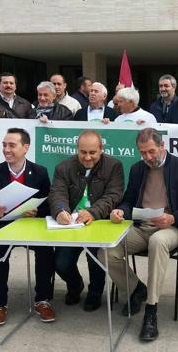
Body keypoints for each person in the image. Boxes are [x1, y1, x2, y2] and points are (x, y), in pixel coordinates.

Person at [101, 128, 178, 342]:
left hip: (170, 228)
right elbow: (129, 201)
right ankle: (136, 288)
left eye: (151, 152)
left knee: (158, 242)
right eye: (143, 153)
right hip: (141, 226)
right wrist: (121, 211)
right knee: (106, 249)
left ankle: (151, 309)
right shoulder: (138, 169)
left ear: (162, 146)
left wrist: (173, 217)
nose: (148, 157)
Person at [0, 128, 56, 325]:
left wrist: (36, 211)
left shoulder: (39, 172)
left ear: (26, 147)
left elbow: (48, 204)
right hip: (1, 226)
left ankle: (43, 300)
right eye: (4, 145)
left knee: (46, 250)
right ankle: (0, 304)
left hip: (30, 225)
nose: (6, 149)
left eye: (11, 145)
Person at [48, 130, 124, 311]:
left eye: (92, 152)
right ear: (77, 149)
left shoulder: (114, 166)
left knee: (95, 259)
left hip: (99, 222)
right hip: (71, 224)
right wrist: (60, 211)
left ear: (101, 150)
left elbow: (114, 195)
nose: (87, 157)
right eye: (83, 152)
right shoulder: (63, 167)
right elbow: (57, 193)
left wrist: (93, 212)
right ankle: (75, 285)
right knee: (61, 263)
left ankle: (95, 292)